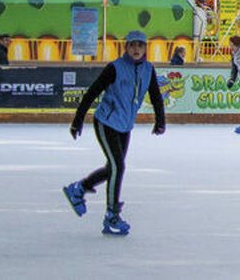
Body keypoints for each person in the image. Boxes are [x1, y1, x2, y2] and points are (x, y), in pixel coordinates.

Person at [61, 29, 166, 237]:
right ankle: (112, 215)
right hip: (106, 122)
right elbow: (92, 93)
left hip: (125, 126)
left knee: (113, 168)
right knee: (118, 166)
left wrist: (160, 120)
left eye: (140, 45)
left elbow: (155, 96)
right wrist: (77, 121)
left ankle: (79, 188)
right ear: (126, 47)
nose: (136, 49)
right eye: (132, 45)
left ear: (145, 48)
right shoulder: (115, 68)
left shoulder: (148, 70)